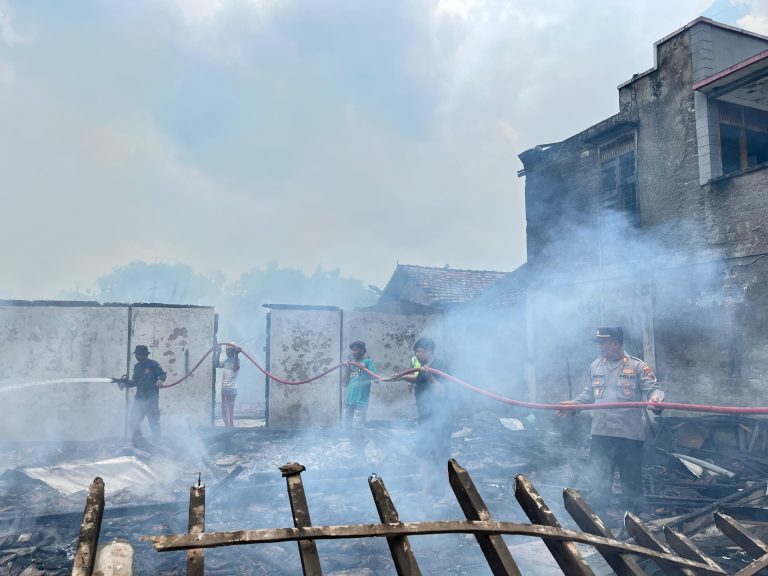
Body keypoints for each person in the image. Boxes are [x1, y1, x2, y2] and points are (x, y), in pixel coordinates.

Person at [559, 327, 664, 518]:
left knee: (631, 480)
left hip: (629, 435)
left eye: (602, 343)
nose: (599, 347)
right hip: (601, 433)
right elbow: (589, 395)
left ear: (615, 343)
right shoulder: (595, 366)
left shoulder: (638, 367)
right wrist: (573, 405)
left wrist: (655, 400)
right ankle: (598, 517)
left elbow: (655, 389)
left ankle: (633, 518)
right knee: (599, 478)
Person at [397, 337, 453, 495]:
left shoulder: (440, 367)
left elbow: (441, 392)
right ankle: (426, 489)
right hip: (425, 419)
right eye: (416, 352)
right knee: (423, 454)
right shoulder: (424, 368)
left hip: (440, 420)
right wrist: (400, 377)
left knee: (440, 457)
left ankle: (448, 495)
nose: (417, 355)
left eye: (419, 352)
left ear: (428, 350)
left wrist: (429, 376)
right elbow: (417, 380)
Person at [119, 344, 167, 447]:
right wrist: (124, 384)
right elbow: (134, 382)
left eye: (138, 354)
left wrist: (160, 380)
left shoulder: (153, 364)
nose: (136, 356)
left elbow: (162, 374)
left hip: (151, 399)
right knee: (133, 421)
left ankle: (157, 441)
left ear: (144, 354)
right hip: (139, 399)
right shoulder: (137, 367)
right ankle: (138, 441)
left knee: (153, 422)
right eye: (136, 354)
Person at [342, 340, 377, 452]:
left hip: (361, 402)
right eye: (352, 350)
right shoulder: (351, 365)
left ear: (362, 350)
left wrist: (365, 368)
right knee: (346, 426)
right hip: (349, 401)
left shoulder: (368, 362)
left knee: (357, 428)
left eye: (355, 349)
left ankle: (359, 451)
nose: (353, 352)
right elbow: (344, 383)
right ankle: (358, 445)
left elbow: (375, 378)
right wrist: (347, 368)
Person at [214, 343, 240, 428]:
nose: (227, 352)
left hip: (232, 389)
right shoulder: (226, 361)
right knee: (224, 408)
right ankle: (227, 426)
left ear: (233, 351)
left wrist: (236, 354)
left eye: (228, 350)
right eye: (226, 350)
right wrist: (219, 352)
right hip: (224, 389)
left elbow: (235, 368)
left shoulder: (236, 360)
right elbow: (216, 365)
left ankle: (230, 427)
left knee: (229, 410)